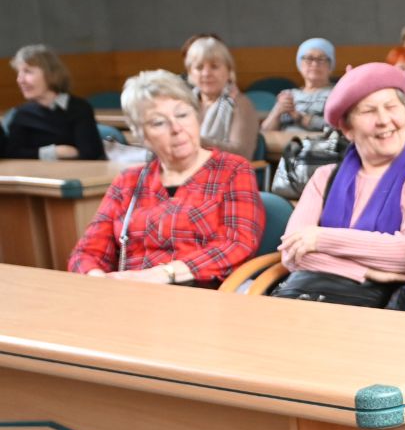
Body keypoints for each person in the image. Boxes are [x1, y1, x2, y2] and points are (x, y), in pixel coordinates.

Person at [269, 63, 405, 308]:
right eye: (368, 111)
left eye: (391, 107)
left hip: (380, 315)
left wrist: (320, 239)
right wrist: (367, 272)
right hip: (309, 302)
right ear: (347, 129)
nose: (385, 120)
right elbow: (291, 252)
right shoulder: (324, 177)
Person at [68, 70, 264, 285]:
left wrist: (164, 274)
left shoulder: (233, 169)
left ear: (197, 116)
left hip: (204, 296)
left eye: (182, 115)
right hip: (131, 296)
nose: (177, 129)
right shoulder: (128, 181)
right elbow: (86, 252)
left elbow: (237, 243)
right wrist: (99, 280)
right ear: (142, 135)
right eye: (159, 123)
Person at [7, 44, 103, 160]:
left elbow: (91, 153)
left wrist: (34, 153)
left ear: (50, 74)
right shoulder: (21, 114)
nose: (20, 80)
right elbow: (12, 153)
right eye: (19, 73)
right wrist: (55, 152)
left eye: (28, 72)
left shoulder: (79, 109)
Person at [185, 36, 258, 161]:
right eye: (199, 67)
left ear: (229, 71)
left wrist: (196, 142)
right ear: (190, 73)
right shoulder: (183, 104)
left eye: (214, 66)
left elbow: (241, 154)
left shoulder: (240, 104)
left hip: (223, 176)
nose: (206, 73)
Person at [261, 38, 335, 132]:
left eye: (321, 59)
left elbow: (339, 128)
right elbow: (265, 132)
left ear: (330, 66)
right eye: (309, 58)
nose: (314, 64)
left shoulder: (337, 94)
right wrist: (278, 111)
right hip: (284, 145)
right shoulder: (288, 95)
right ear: (300, 65)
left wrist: (301, 118)